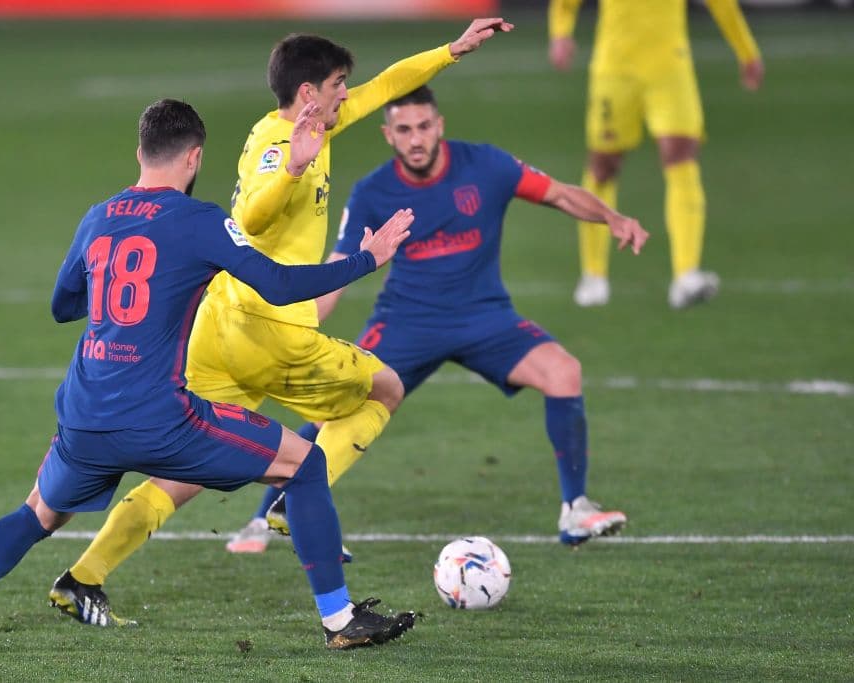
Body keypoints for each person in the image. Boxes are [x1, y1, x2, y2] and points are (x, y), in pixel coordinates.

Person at [0, 98, 419, 651]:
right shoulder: (200, 221)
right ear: (194, 158)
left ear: (139, 152)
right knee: (305, 466)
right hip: (161, 421)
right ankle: (339, 620)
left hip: (85, 419)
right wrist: (367, 259)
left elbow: (62, 305)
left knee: (36, 514)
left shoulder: (98, 216)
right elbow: (280, 287)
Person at [47, 19, 513, 628]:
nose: (351, 93)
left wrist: (450, 51)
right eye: (340, 84)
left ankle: (82, 576)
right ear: (309, 95)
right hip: (270, 332)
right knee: (385, 389)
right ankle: (294, 509)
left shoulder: (320, 123)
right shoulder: (277, 143)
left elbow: (389, 84)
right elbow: (253, 212)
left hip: (218, 332)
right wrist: (293, 168)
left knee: (179, 474)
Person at [229, 85, 648, 551]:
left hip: (485, 317)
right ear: (388, 135)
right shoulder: (373, 191)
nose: (416, 138)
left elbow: (560, 195)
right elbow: (340, 265)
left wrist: (611, 217)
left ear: (439, 126)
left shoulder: (486, 165)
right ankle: (265, 516)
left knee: (564, 371)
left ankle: (576, 511)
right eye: (404, 129)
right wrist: (298, 324)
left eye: (424, 126)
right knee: (343, 399)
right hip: (408, 322)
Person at [548, 0, 763, 308]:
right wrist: (560, 34)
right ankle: (593, 275)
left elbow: (721, 3)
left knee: (681, 156)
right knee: (603, 166)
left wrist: (747, 50)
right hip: (615, 69)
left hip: (670, 68)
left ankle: (686, 275)